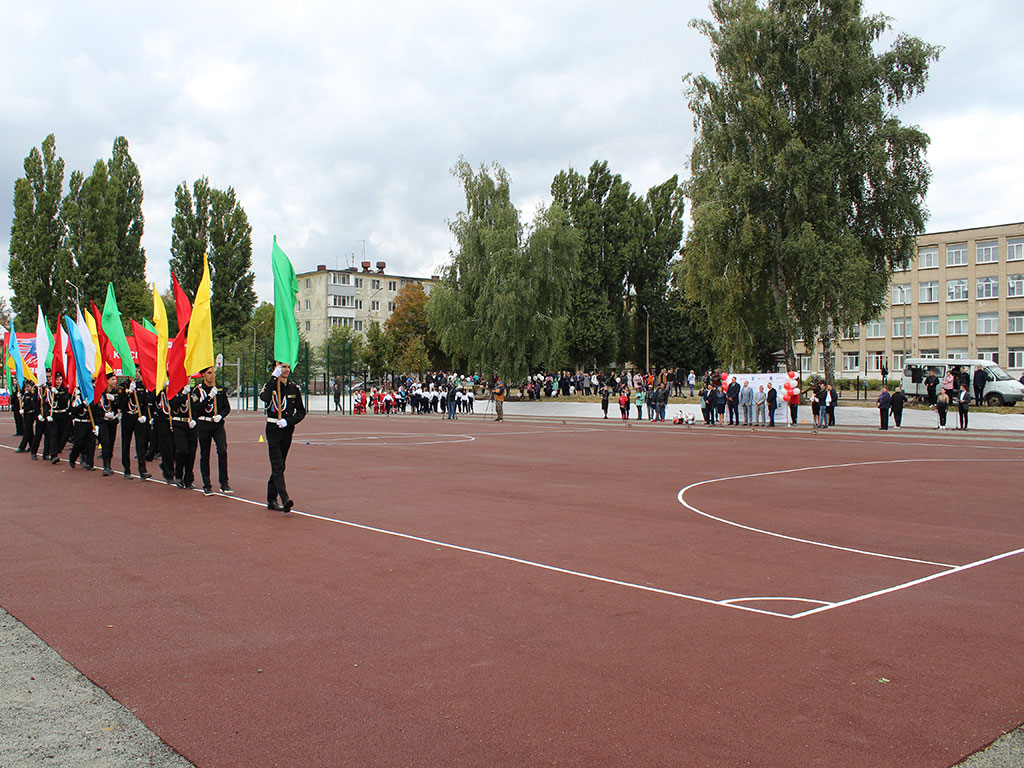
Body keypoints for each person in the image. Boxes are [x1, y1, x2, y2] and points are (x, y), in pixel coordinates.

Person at [261, 362, 306, 512]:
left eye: (287, 367)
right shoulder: (270, 386)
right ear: (276, 368)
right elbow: (264, 398)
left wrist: (288, 421)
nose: (285, 370)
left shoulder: (294, 389)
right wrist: (273, 379)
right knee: (278, 464)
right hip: (273, 429)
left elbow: (301, 412)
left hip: (286, 429)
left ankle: (271, 499)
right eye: (282, 367)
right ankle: (284, 498)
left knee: (280, 465)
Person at [195, 366, 232, 495]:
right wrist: (209, 397)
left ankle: (224, 483)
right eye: (209, 373)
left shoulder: (219, 389)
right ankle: (207, 484)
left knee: (222, 451)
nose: (212, 376)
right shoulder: (197, 391)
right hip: (204, 424)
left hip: (217, 424)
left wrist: (220, 416)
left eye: (213, 373)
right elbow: (196, 408)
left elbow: (227, 407)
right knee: (205, 454)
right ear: (203, 374)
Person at [117, 376, 151, 479]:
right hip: (127, 417)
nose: (136, 374)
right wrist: (128, 393)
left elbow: (145, 403)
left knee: (140, 444)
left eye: (137, 371)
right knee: (126, 443)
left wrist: (145, 415)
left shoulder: (140, 386)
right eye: (134, 371)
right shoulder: (123, 387)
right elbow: (120, 404)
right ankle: (127, 470)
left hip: (138, 417)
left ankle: (143, 470)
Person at [170, 381, 197, 489]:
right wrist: (182, 395)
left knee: (191, 451)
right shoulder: (173, 391)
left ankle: (189, 478)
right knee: (182, 450)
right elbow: (173, 405)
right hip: (178, 423)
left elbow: (196, 407)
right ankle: (178, 475)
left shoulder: (193, 391)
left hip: (190, 424)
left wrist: (194, 420)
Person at [47, 371, 72, 464]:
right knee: (54, 434)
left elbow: (64, 400)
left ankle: (57, 449)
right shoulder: (49, 390)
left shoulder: (64, 390)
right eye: (57, 379)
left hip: (63, 414)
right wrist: (46, 415)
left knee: (62, 435)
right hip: (53, 414)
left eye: (60, 379)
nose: (58, 381)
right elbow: (45, 404)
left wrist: (57, 393)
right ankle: (53, 455)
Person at [15, 381, 40, 456]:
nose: (27, 388)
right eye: (26, 387)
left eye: (28, 387)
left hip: (31, 414)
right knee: (29, 431)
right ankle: (32, 446)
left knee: (26, 430)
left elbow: (32, 406)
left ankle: (22, 446)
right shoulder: (26, 394)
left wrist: (24, 410)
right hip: (26, 414)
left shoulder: (33, 395)